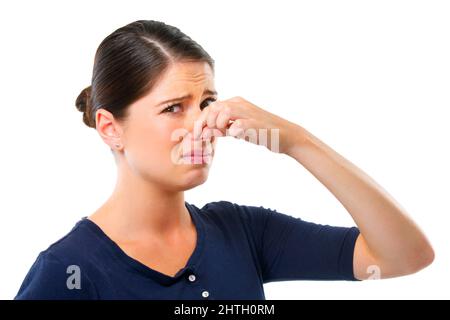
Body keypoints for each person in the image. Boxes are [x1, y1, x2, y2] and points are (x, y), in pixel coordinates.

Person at [15, 20, 434, 300]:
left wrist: (297, 141)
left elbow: (404, 257)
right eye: (174, 107)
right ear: (110, 128)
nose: (204, 124)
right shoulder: (68, 271)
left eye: (208, 102)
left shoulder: (242, 232)